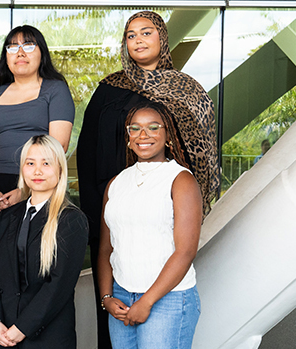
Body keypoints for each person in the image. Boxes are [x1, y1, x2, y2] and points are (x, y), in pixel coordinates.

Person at [76, 11, 218, 346]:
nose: (138, 40)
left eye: (146, 32)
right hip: (114, 207)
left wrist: (183, 200)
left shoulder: (187, 90)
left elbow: (203, 151)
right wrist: (100, 207)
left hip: (164, 205)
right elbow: (87, 150)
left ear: (162, 39)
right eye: (131, 35)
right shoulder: (108, 88)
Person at [97, 101, 202, 348]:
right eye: (135, 128)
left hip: (168, 299)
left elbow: (185, 251)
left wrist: (147, 301)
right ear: (128, 136)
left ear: (167, 135)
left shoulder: (181, 180)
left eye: (153, 127)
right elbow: (105, 249)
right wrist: (107, 297)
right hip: (121, 297)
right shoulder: (116, 183)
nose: (143, 135)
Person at [0, 135, 88, 349]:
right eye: (30, 163)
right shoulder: (7, 217)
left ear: (60, 169)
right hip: (2, 336)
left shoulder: (72, 219)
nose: (37, 171)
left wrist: (22, 328)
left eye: (46, 163)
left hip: (47, 337)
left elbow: (59, 286)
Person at [0, 25, 74, 254]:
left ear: (42, 53)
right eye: (13, 47)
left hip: (40, 186)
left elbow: (58, 146)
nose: (20, 52)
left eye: (28, 45)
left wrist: (26, 190)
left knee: (34, 262)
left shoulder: (55, 90)